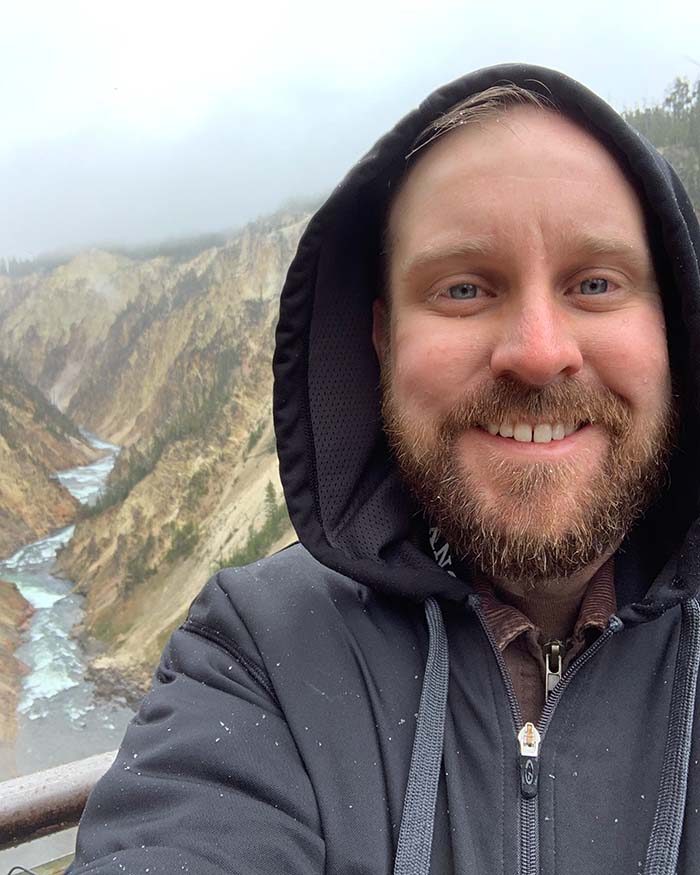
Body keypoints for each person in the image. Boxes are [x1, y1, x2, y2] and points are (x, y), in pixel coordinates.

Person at [68, 63, 700, 874]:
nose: (540, 352)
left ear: (675, 329)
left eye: (597, 283)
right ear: (383, 340)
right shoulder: (260, 651)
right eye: (465, 287)